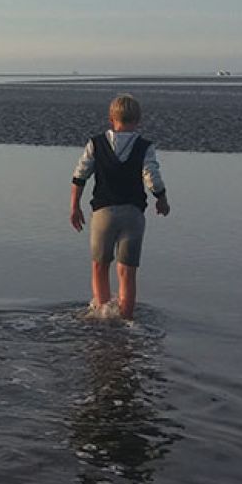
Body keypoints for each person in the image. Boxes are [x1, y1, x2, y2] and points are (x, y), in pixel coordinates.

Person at [69, 93, 171, 320]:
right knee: (127, 271)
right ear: (138, 120)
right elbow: (151, 176)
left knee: (100, 266)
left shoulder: (95, 144)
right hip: (133, 214)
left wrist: (75, 207)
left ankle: (102, 314)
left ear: (111, 118)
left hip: (103, 214)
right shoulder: (145, 146)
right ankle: (126, 320)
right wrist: (161, 199)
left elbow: (79, 176)